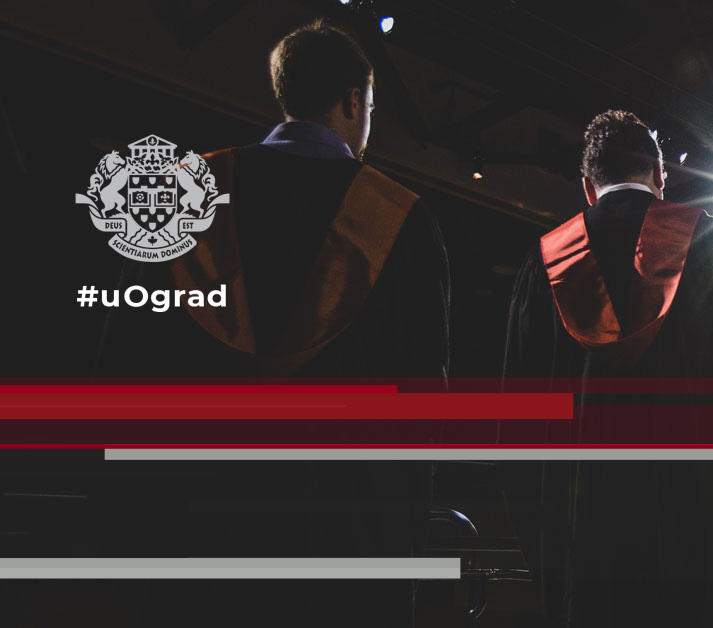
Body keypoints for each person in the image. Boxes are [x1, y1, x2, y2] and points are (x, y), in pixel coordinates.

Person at [94, 20, 449, 627]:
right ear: (351, 102)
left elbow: (124, 370)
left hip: (193, 532)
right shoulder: (401, 222)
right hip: (345, 545)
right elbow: (420, 399)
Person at [503, 109, 713, 627]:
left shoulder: (544, 262)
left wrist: (539, 541)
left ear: (588, 186)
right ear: (660, 176)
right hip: (696, 531)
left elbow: (518, 419)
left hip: (582, 540)